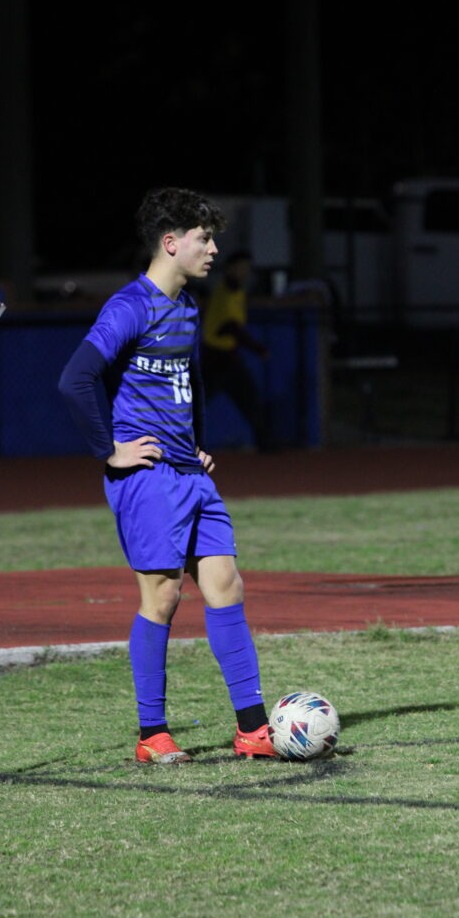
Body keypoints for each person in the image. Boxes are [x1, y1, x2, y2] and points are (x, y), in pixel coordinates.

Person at [59, 187, 277, 764]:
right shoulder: (128, 306)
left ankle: (252, 729)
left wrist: (200, 445)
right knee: (163, 596)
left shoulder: (187, 308)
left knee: (226, 584)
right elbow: (75, 379)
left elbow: (194, 385)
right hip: (148, 479)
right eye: (204, 240)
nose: (212, 250)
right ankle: (152, 735)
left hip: (190, 474)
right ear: (170, 242)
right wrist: (109, 450)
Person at [201, 251, 270, 450]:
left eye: (247, 268)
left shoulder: (236, 291)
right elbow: (231, 327)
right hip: (215, 357)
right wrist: (258, 348)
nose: (245, 272)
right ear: (231, 269)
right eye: (242, 268)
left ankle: (265, 443)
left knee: (250, 399)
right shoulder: (226, 292)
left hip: (227, 356)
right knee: (194, 404)